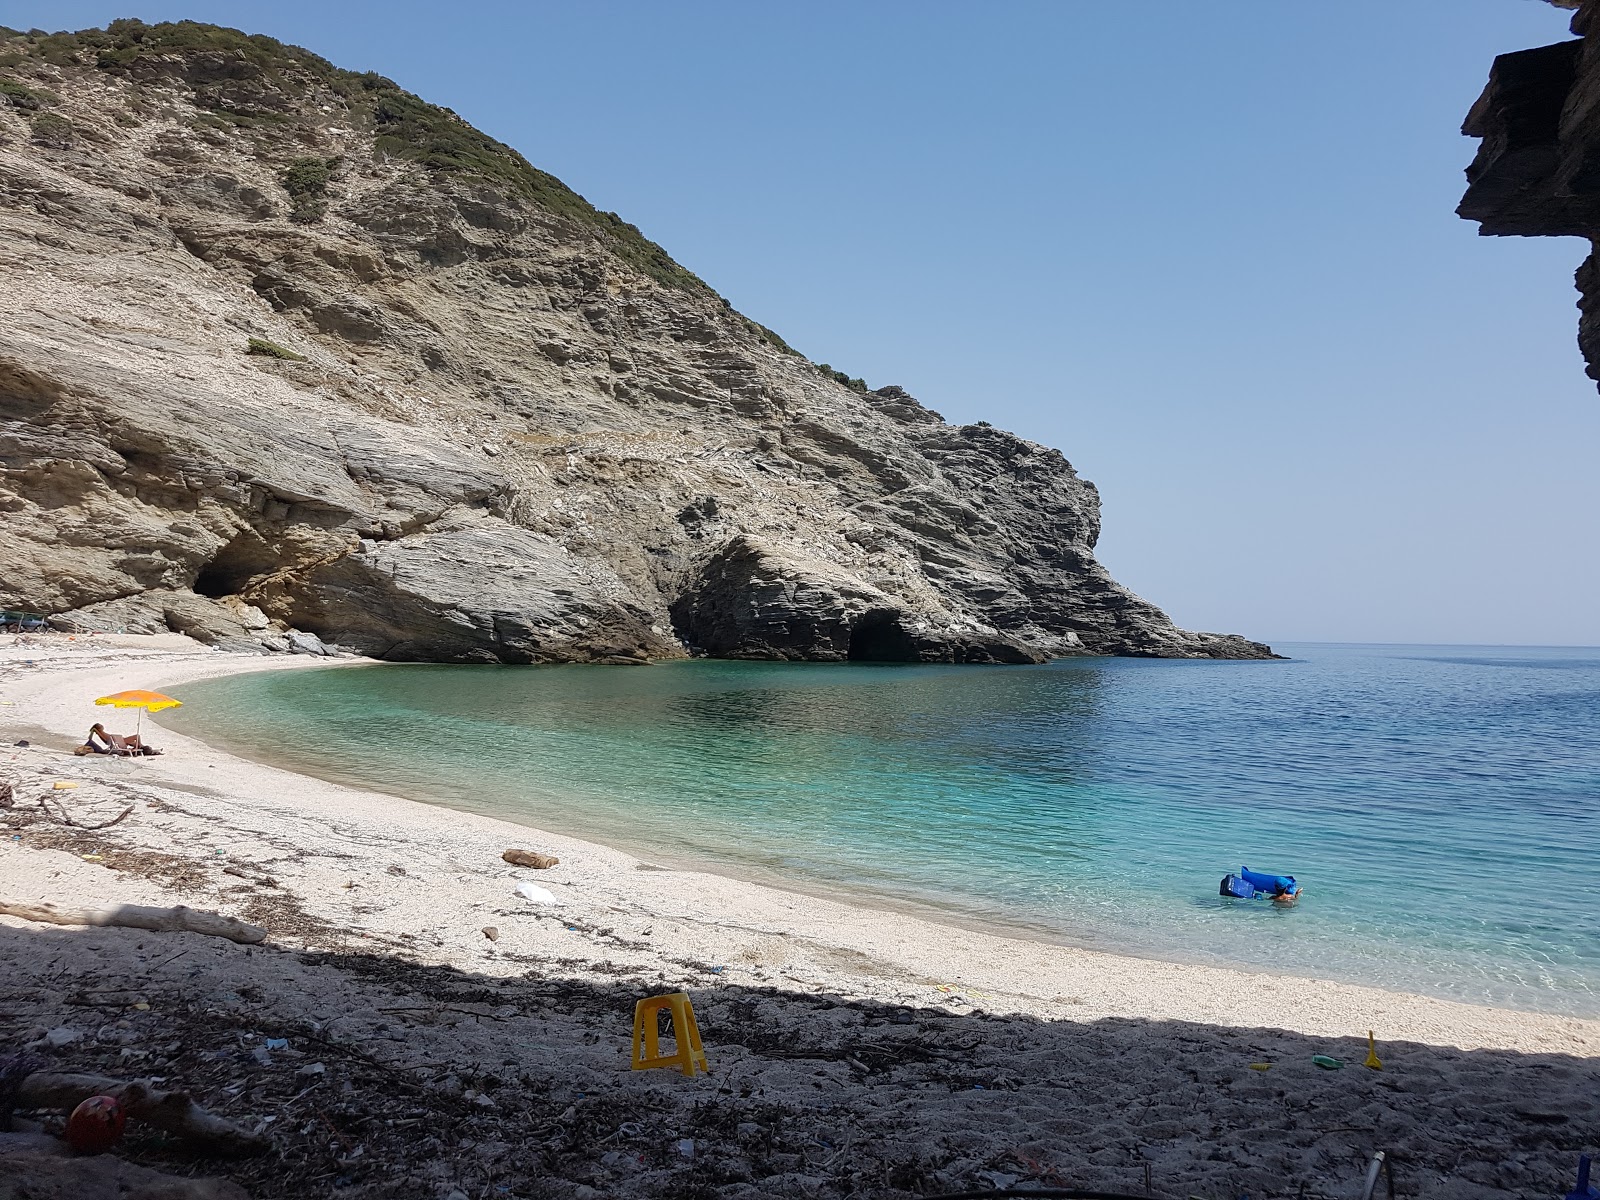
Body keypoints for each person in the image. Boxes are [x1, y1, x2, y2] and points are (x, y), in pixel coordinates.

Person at [78, 722, 161, 756]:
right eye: (100, 726)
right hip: (119, 742)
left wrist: (95, 730)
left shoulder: (103, 733)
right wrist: (95, 730)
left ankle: (146, 748)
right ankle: (145, 749)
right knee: (137, 737)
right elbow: (105, 739)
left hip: (119, 742)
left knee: (136, 741)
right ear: (98, 728)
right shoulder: (102, 733)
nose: (102, 726)